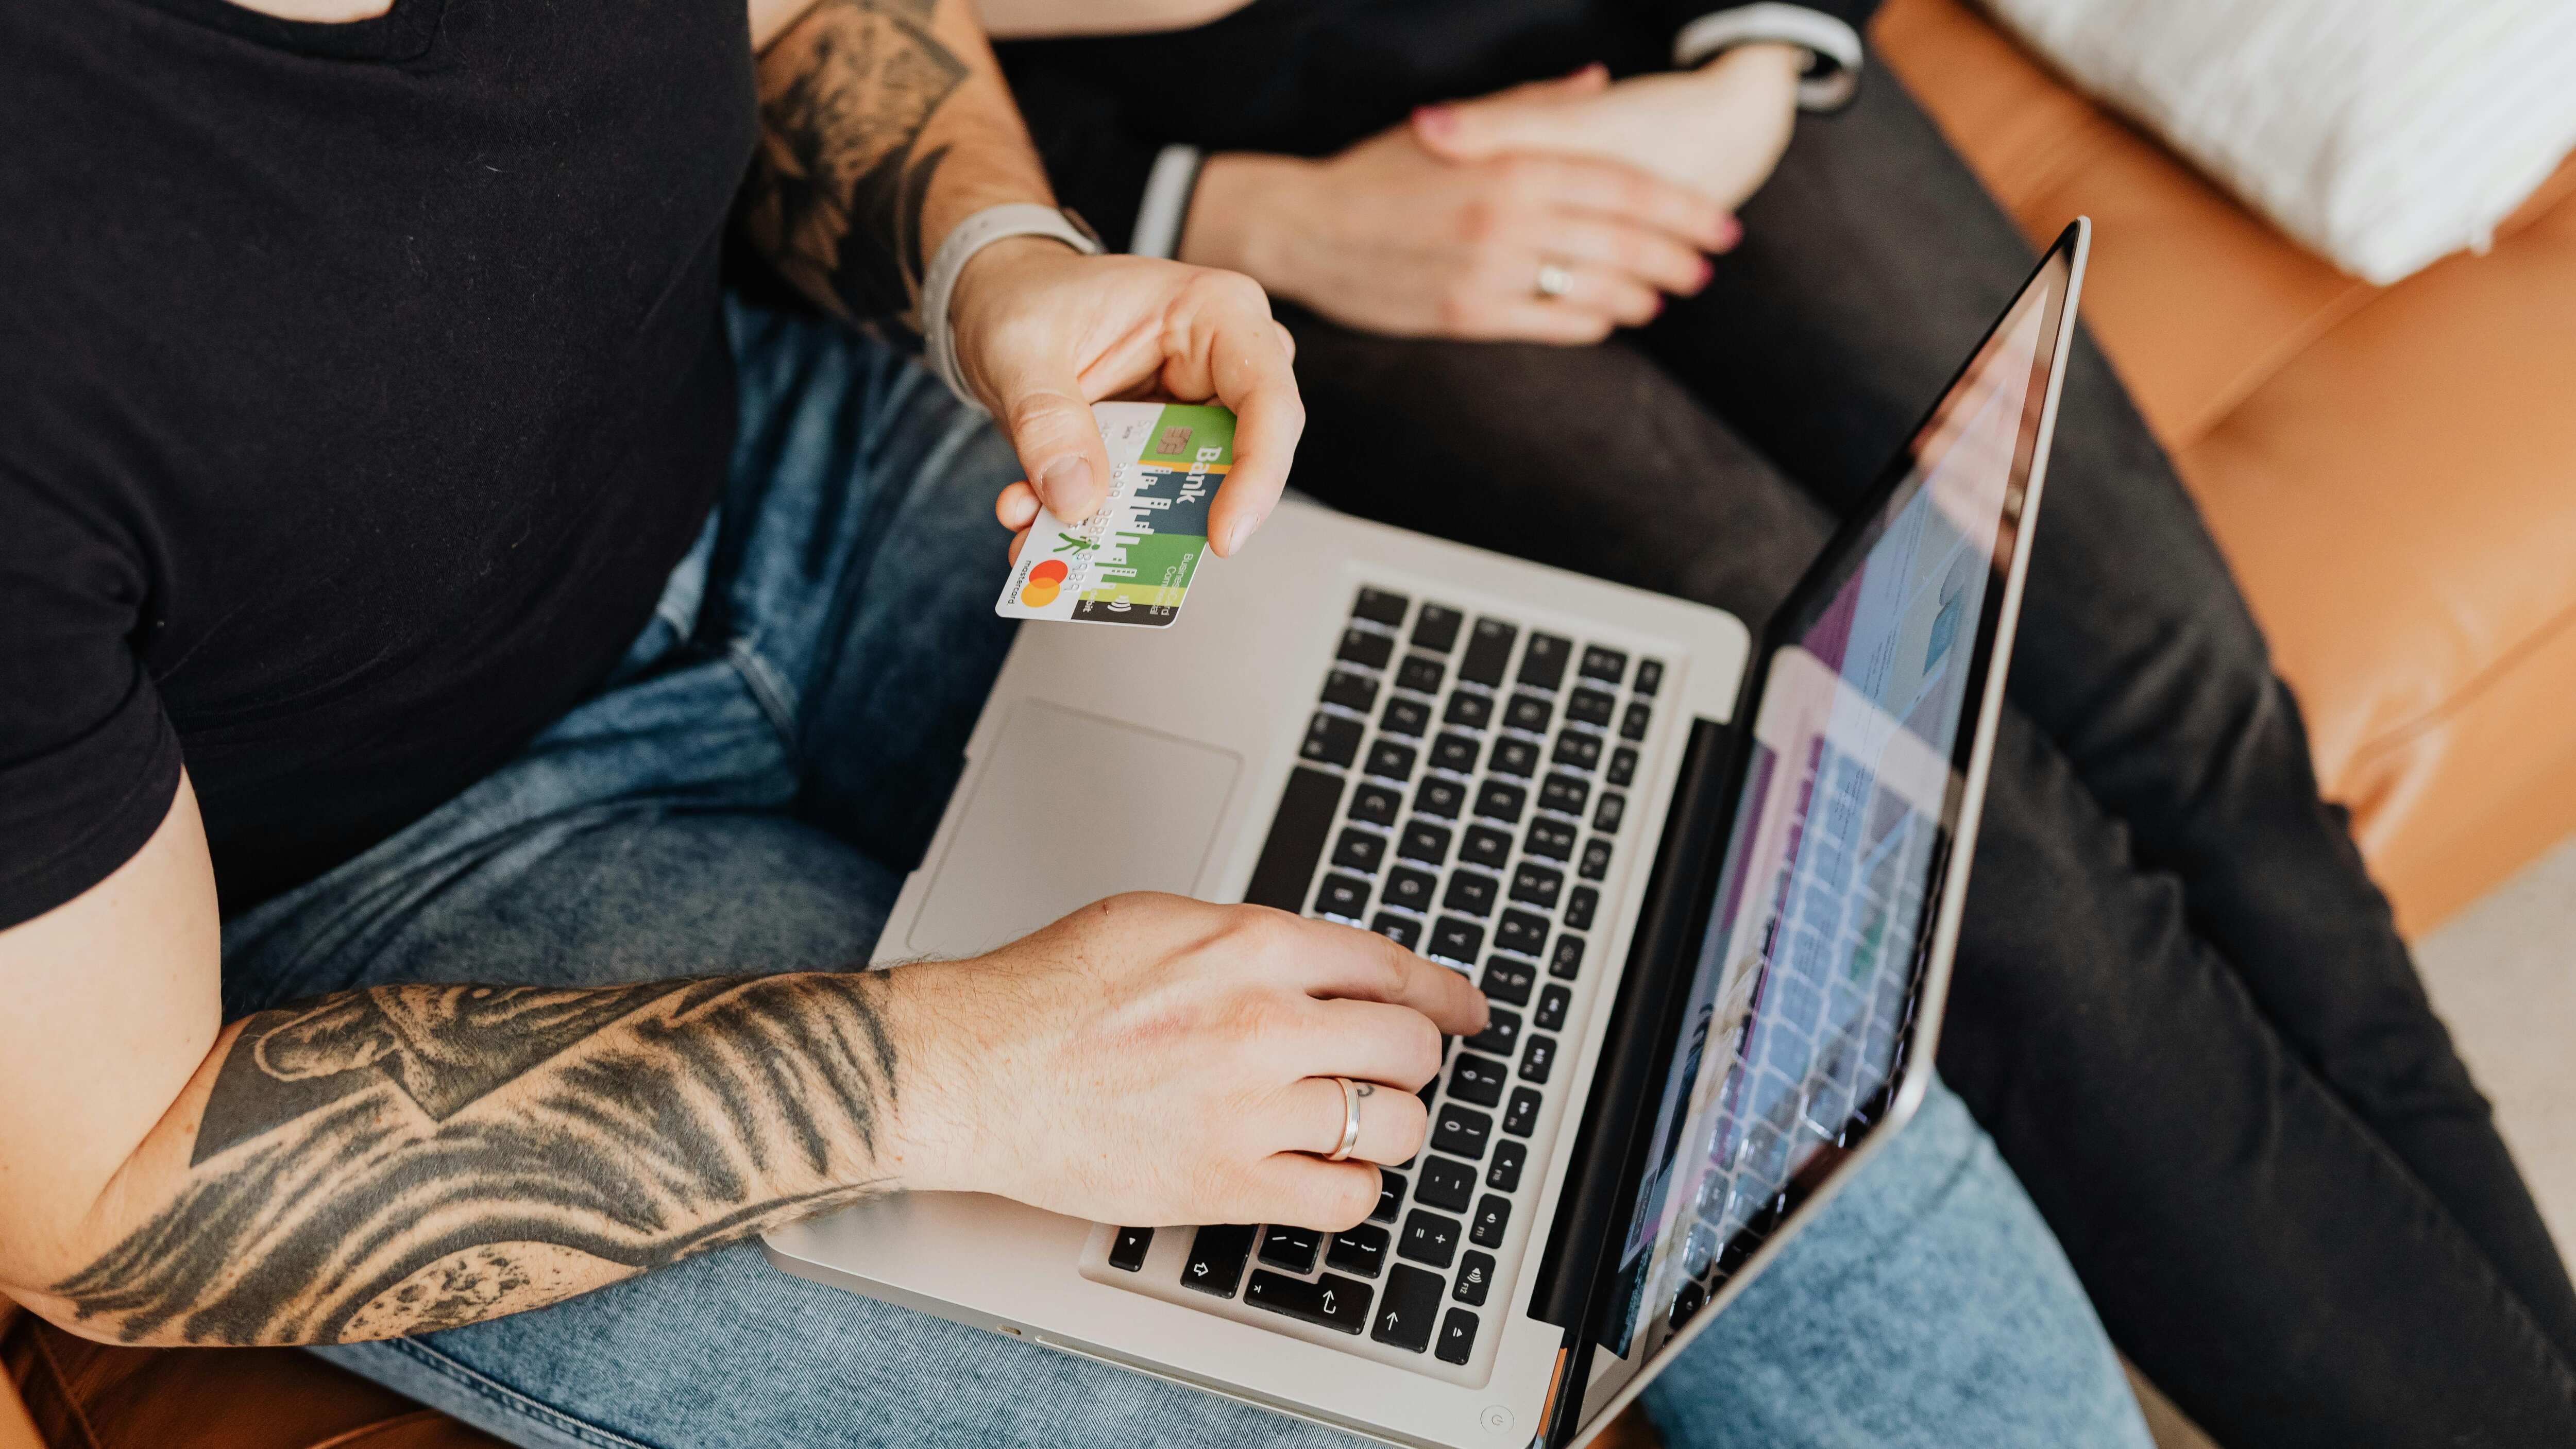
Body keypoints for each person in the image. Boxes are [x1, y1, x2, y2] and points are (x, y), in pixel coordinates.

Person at [0, 0, 2162, 1445]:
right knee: (1310, 1392)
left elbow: (796, 16)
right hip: (383, 879)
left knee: (1722, 1001)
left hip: (818, 458)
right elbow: (100, 1187)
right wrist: (958, 1071)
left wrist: (1002, 266)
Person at [987, 2, 2576, 1444]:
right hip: (1275, 208)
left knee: (2210, 727)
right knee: (1977, 864)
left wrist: (1759, 66)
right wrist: (1221, 212)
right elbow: (845, 60)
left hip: (1708, 52)